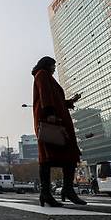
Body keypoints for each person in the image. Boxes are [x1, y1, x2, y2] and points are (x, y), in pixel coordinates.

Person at [32, 56, 86, 207]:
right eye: (53, 65)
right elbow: (45, 95)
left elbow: (56, 99)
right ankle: (49, 193)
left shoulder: (47, 76)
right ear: (47, 64)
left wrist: (71, 101)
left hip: (57, 120)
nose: (54, 68)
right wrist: (50, 113)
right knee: (49, 157)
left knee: (67, 156)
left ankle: (64, 190)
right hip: (51, 121)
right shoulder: (42, 74)